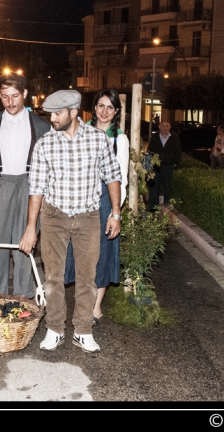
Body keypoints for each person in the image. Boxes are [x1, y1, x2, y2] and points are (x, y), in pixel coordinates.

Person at [19, 90, 122, 353]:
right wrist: (31, 228)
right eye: (50, 113)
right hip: (54, 217)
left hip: (88, 217)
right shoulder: (44, 144)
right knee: (53, 277)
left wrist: (116, 214)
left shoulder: (98, 139)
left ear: (74, 113)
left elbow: (113, 176)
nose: (52, 118)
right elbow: (37, 188)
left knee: (87, 277)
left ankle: (83, 330)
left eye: (57, 113)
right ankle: (54, 329)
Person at [0, 72, 51, 298]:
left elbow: (50, 167)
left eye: (15, 96)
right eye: (5, 96)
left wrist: (45, 198)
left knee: (24, 249)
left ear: (25, 94)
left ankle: (22, 301)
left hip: (31, 187)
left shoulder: (42, 126)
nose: (10, 102)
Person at [64, 89, 129, 325]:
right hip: (81, 199)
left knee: (102, 254)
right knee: (79, 252)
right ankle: (82, 301)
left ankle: (96, 307)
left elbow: (122, 178)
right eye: (101, 106)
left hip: (104, 202)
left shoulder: (118, 139)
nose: (104, 111)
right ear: (94, 108)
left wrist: (115, 212)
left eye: (110, 107)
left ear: (116, 112)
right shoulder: (81, 133)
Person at [147, 120, 182, 211]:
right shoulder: (154, 138)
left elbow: (178, 152)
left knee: (167, 187)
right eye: (163, 126)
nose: (165, 128)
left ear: (170, 127)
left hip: (168, 166)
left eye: (167, 126)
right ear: (159, 127)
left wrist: (175, 164)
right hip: (156, 167)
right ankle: (153, 208)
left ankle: (168, 205)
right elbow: (149, 151)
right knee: (154, 187)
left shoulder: (174, 138)